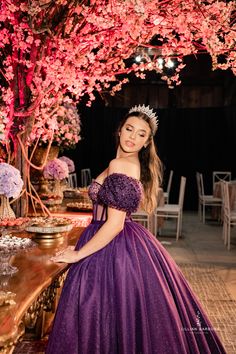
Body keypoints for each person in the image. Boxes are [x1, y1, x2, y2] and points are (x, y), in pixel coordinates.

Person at [46, 105, 226, 354]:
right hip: (116, 241)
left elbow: (115, 223)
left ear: (147, 141)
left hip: (112, 245)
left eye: (141, 134)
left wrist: (77, 254)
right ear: (119, 130)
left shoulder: (122, 164)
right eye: (129, 129)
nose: (133, 136)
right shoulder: (125, 162)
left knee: (102, 316)